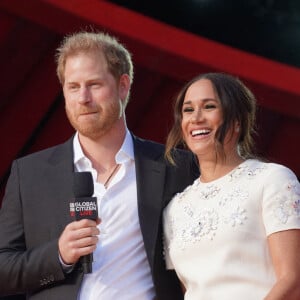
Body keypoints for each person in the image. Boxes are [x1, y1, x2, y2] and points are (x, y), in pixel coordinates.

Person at [0, 31, 199, 299]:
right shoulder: (30, 173)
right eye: (73, 86)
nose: (83, 98)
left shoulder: (176, 166)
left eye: (94, 85)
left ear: (123, 85)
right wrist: (59, 255)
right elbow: (4, 270)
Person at [163, 72, 300, 300]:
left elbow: (293, 281)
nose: (196, 117)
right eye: (188, 110)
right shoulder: (174, 208)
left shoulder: (272, 180)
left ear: (237, 120)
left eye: (209, 106)